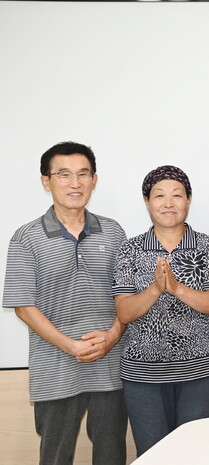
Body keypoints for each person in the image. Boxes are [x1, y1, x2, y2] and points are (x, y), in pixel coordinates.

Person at [2, 142, 127, 465]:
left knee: (112, 454)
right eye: (64, 175)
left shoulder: (113, 232)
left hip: (110, 366)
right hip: (54, 370)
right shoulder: (26, 237)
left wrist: (112, 336)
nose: (75, 183)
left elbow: (127, 297)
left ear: (94, 180)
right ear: (46, 181)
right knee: (55, 457)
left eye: (83, 174)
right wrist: (71, 346)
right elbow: (23, 306)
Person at [112, 165, 209, 456]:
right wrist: (155, 289)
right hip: (143, 376)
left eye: (177, 195)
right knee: (153, 455)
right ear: (147, 201)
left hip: (199, 373)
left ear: (189, 200)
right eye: (159, 195)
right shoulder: (130, 249)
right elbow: (124, 313)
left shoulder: (207, 247)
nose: (168, 203)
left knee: (195, 455)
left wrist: (176, 288)